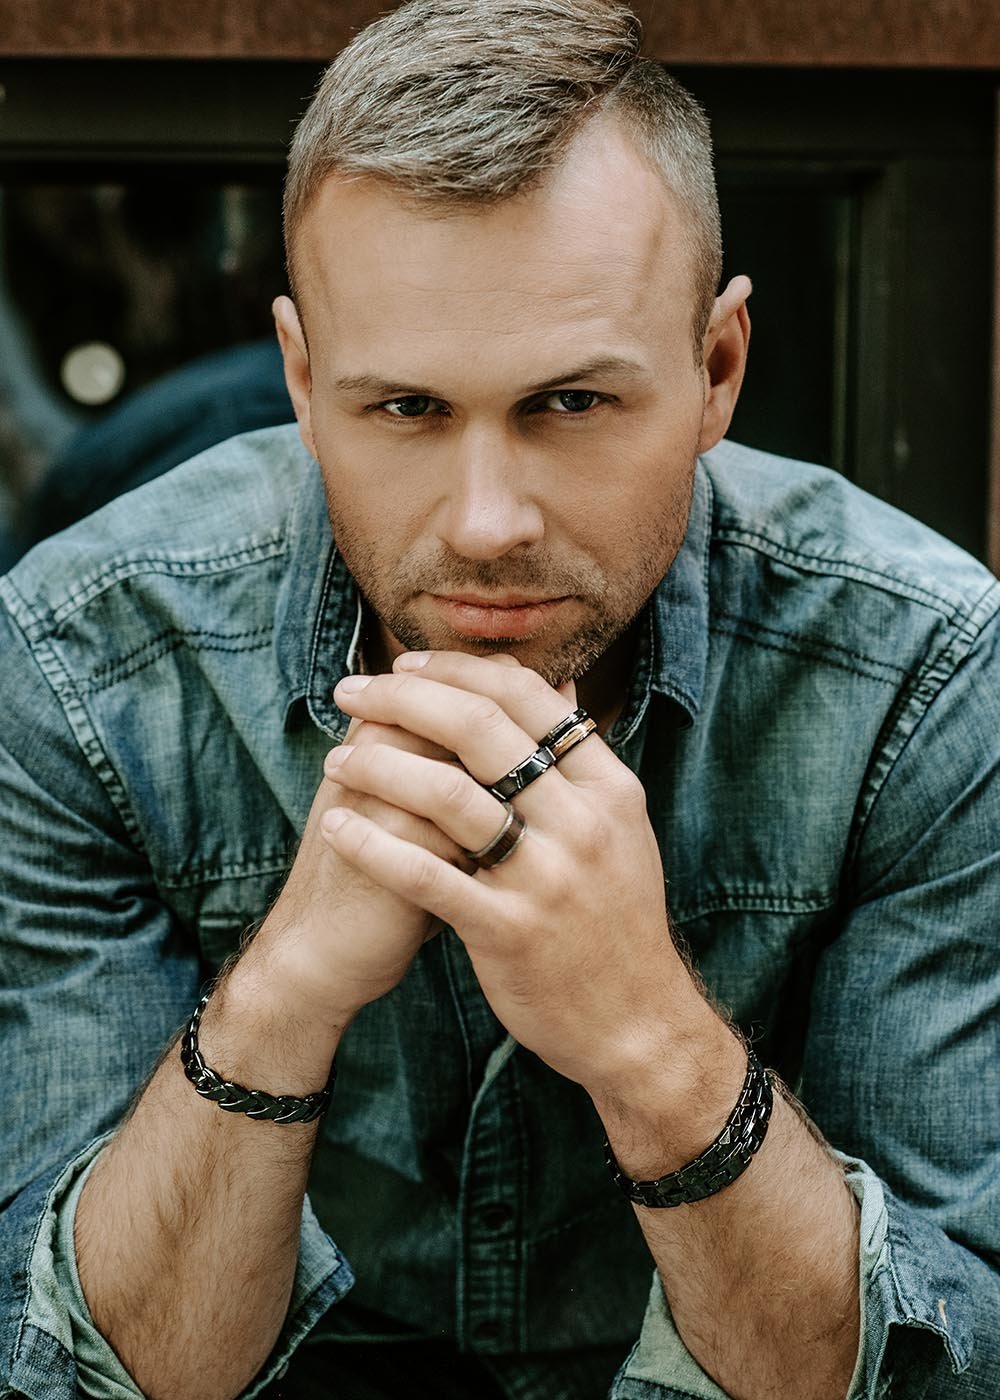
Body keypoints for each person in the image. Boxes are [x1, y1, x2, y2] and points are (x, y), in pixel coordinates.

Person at [2, 3, 998, 1398]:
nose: (483, 523)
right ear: (300, 377)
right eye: (404, 409)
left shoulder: (926, 676)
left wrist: (646, 1030)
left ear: (717, 369)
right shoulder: (80, 663)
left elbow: (938, 1371)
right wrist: (284, 991)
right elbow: (83, 1377)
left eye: (572, 405)